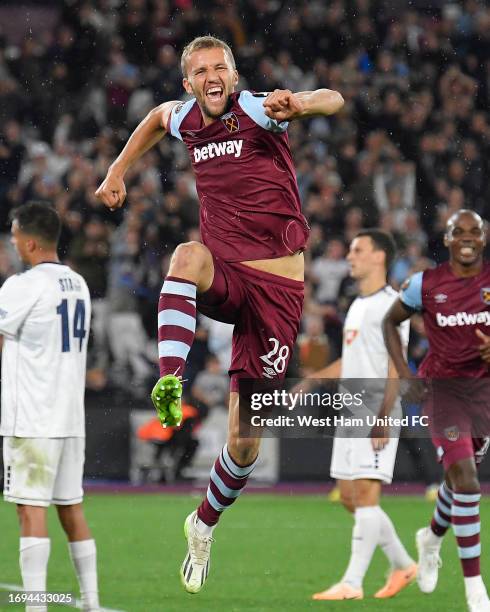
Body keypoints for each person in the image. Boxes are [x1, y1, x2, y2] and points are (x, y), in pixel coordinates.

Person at [95, 34, 344, 593]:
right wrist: (117, 172)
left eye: (220, 68)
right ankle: (169, 380)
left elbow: (334, 98)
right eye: (201, 69)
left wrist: (302, 103)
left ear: (233, 77)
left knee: (245, 440)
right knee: (185, 256)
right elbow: (157, 119)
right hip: (228, 276)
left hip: (277, 296)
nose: (212, 76)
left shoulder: (256, 109)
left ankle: (202, 524)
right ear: (189, 82)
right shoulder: (186, 117)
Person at [383, 209, 490, 612]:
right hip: (442, 392)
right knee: (466, 481)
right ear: (446, 240)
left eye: (473, 232)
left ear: (483, 238)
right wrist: (403, 372)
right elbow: (390, 323)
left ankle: (431, 537)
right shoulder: (424, 284)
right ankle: (475, 588)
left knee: (459, 479)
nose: (466, 237)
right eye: (457, 232)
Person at [301, 229, 416, 601]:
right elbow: (350, 362)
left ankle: (352, 583)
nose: (350, 256)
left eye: (358, 250)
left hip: (376, 408)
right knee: (350, 496)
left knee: (366, 493)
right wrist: (314, 379)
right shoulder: (357, 305)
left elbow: (397, 365)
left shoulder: (394, 305)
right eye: (350, 250)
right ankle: (403, 565)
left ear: (379, 257)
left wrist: (384, 414)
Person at [0, 203, 100, 612]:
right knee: (71, 510)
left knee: (30, 510)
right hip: (70, 417)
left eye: (13, 234)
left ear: (30, 241)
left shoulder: (21, 286)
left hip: (33, 416)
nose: (11, 241)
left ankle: (36, 607)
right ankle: (92, 603)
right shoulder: (78, 284)